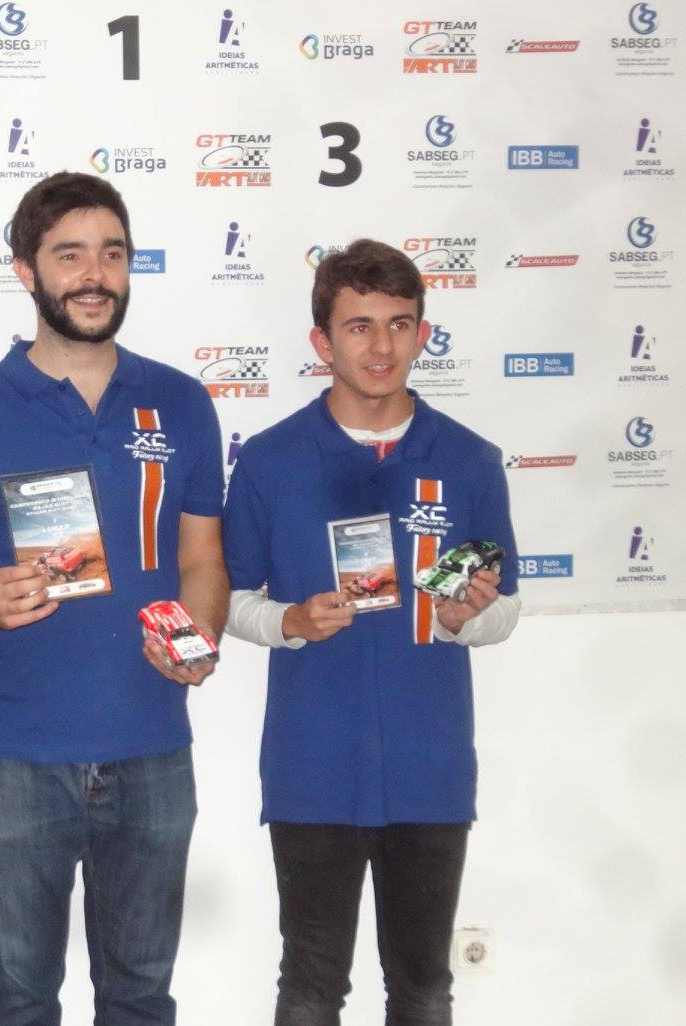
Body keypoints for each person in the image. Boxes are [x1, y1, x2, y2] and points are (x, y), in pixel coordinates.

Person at [0, 172, 229, 1026]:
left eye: (112, 254)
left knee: (140, 999)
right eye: (70, 255)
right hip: (18, 755)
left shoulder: (182, 403)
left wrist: (199, 635)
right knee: (19, 1001)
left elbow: (203, 556)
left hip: (153, 746)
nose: (95, 275)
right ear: (26, 271)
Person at [221, 239, 520, 1026]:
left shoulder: (470, 460)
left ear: (424, 333)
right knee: (310, 987)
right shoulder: (271, 461)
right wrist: (287, 621)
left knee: (423, 987)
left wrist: (466, 619)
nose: (381, 345)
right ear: (322, 342)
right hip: (311, 766)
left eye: (399, 323)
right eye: (358, 326)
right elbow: (227, 599)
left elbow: (506, 606)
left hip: (430, 767)